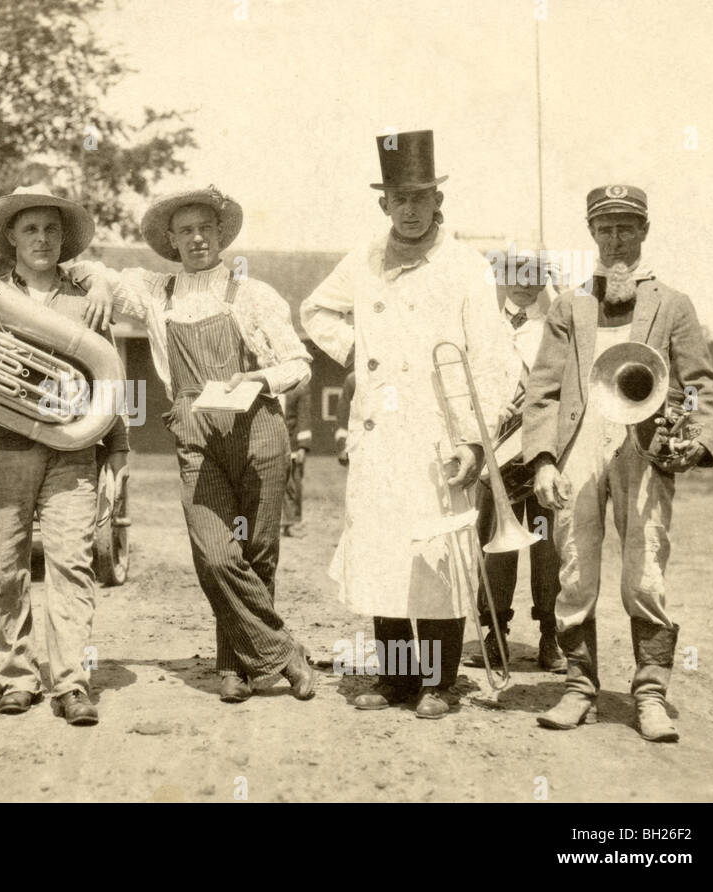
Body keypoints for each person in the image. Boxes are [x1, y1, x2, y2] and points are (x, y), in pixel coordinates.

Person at [77, 185, 318, 705]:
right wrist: (96, 281)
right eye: (185, 230)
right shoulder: (155, 291)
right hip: (193, 430)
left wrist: (253, 382)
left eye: (205, 227)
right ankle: (284, 651)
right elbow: (98, 273)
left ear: (220, 233)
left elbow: (299, 364)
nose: (197, 238)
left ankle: (235, 667)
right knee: (215, 552)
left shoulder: (252, 293)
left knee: (257, 553)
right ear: (170, 239)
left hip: (257, 428)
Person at [302, 130, 512, 718]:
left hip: (440, 432)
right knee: (383, 552)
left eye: (422, 197)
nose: (411, 209)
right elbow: (314, 310)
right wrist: (356, 351)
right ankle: (396, 678)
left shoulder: (466, 266)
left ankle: (439, 682)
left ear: (438, 202)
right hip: (379, 431)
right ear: (384, 203)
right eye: (400, 198)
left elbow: (493, 360)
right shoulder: (365, 258)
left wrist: (475, 441)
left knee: (438, 552)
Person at [523, 185, 713, 742]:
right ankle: (578, 688)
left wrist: (695, 442)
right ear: (591, 233)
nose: (615, 240)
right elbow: (542, 389)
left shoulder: (673, 303)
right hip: (579, 445)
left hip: (644, 445)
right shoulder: (569, 306)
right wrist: (543, 460)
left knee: (645, 569)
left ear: (644, 232)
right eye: (605, 228)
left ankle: (650, 694)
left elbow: (704, 384)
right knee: (576, 569)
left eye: (626, 227)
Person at [0, 185, 127, 726]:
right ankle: (14, 678)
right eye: (31, 228)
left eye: (51, 229)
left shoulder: (88, 300)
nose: (41, 238)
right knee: (5, 568)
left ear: (64, 240)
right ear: (11, 236)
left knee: (72, 566)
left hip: (73, 449)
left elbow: (111, 376)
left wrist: (118, 450)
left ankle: (72, 682)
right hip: (1, 446)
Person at [467, 245, 565, 673]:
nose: (526, 283)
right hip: (495, 452)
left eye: (536, 275)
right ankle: (495, 631)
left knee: (547, 545)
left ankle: (550, 634)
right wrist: (491, 407)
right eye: (518, 273)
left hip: (540, 450)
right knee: (496, 545)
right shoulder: (482, 324)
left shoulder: (554, 326)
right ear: (503, 276)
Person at [280, 373, 313, 537]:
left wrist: (302, 447)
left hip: (293, 444)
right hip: (272, 443)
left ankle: (294, 522)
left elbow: (304, 417)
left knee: (294, 483)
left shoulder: (300, 387)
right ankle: (281, 522)